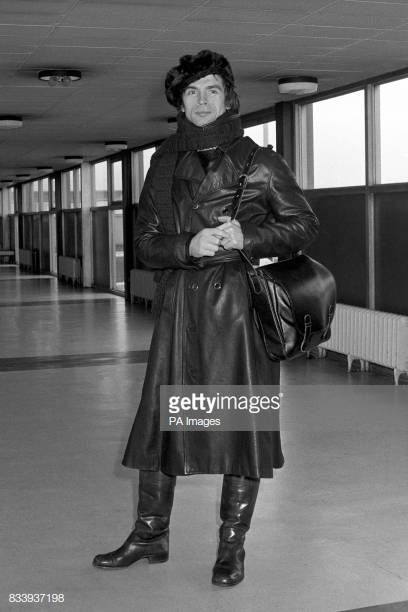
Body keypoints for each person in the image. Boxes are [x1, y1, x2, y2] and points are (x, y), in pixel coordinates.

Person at [93, 49, 319, 587]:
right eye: (192, 92)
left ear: (229, 97)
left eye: (212, 90)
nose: (202, 101)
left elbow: (303, 225)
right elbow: (145, 244)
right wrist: (187, 244)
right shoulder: (163, 160)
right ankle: (150, 535)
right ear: (179, 101)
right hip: (179, 310)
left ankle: (231, 547)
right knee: (162, 425)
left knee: (240, 428)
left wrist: (250, 236)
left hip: (239, 314)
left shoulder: (259, 160)